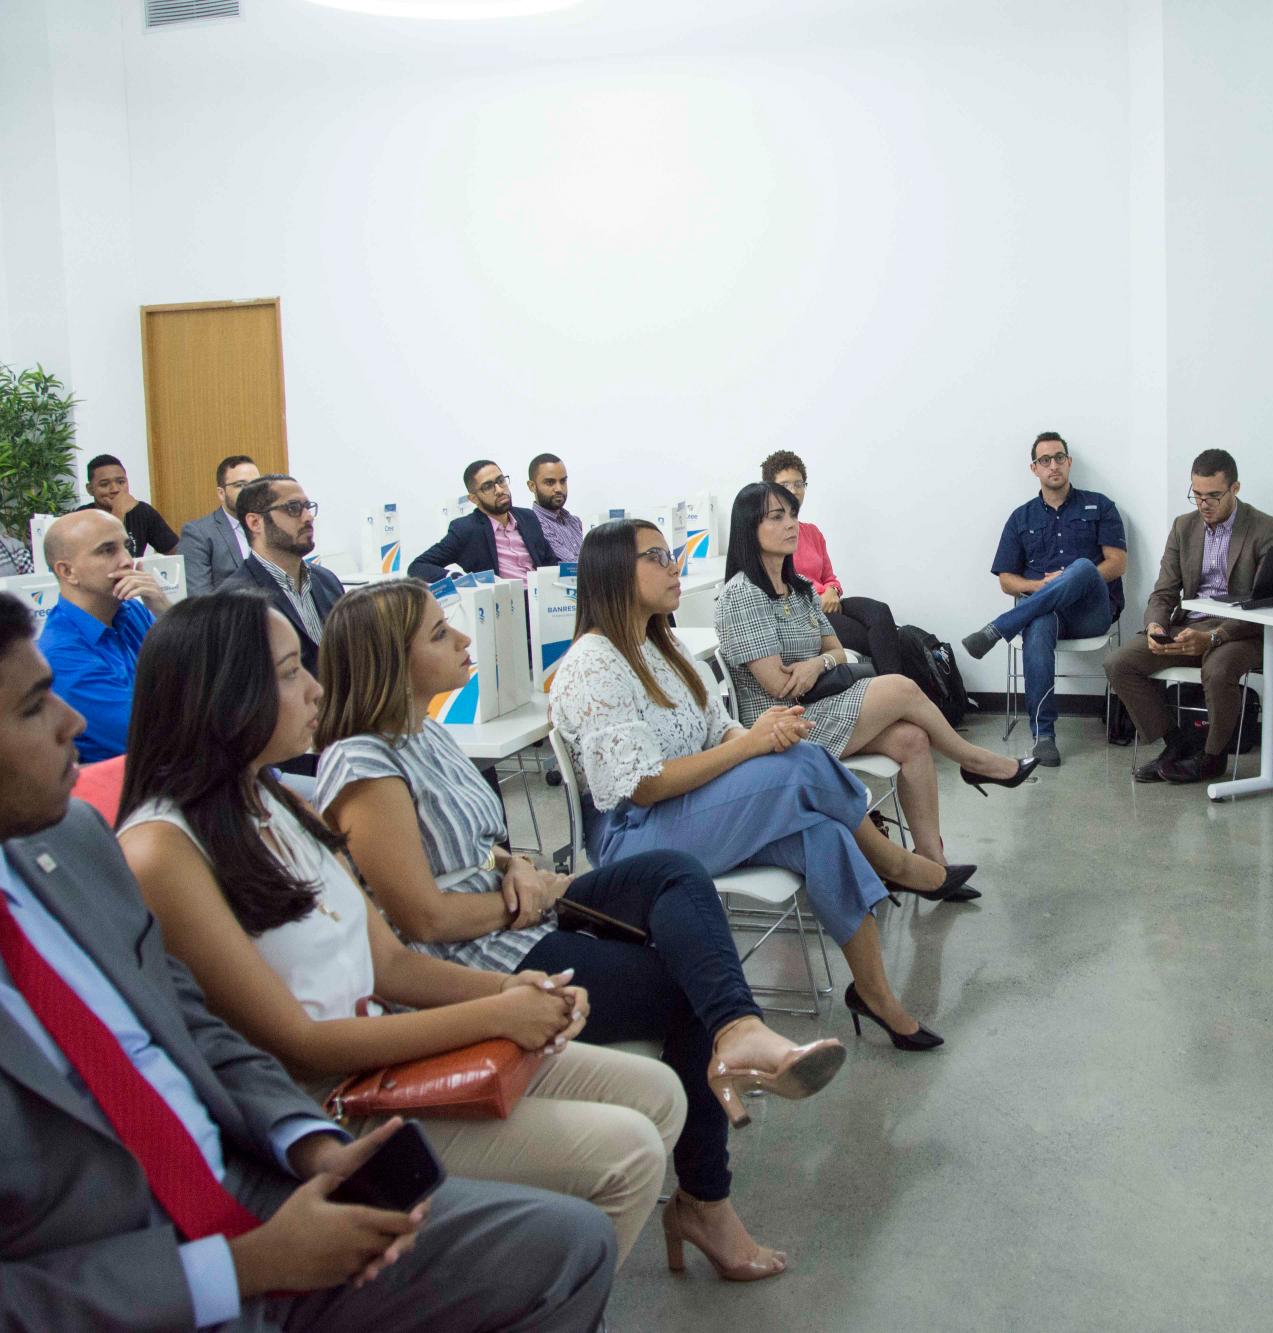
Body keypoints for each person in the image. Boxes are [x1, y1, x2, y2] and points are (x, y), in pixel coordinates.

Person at [0, 582, 617, 1331]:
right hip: (112, 1266)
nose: (76, 723)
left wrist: (312, 1147)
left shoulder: (71, 848)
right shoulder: (154, 846)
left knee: (568, 1244)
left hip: (248, 1175)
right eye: (32, 708)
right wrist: (246, 1266)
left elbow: (194, 1026)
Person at [115, 591, 684, 1266]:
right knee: (627, 1150)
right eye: (292, 671)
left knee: (660, 1093)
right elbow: (302, 1043)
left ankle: (536, 1287)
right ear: (224, 692)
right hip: (325, 1109)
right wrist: (498, 1013)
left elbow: (390, 962)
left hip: (384, 1053)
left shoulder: (271, 798)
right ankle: (544, 1288)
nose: (316, 689)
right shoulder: (163, 849)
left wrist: (508, 988)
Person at [313, 578, 842, 1283]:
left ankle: (739, 1031)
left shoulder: (429, 732)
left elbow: (476, 847)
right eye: (441, 634)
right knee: (687, 988)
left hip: (521, 909)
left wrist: (521, 866)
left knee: (674, 872)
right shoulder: (361, 760)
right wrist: (521, 903)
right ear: (387, 660)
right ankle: (705, 1198)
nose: (464, 640)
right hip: (486, 954)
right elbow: (423, 916)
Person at [551, 517, 970, 1054]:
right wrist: (751, 746)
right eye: (654, 557)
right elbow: (645, 786)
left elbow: (717, 727)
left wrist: (763, 734)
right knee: (798, 767)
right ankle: (895, 862)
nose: (672, 565)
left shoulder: (663, 645)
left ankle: (876, 994)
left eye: (668, 553)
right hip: (633, 840)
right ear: (611, 573)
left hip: (688, 811)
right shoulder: (593, 664)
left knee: (823, 833)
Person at [717, 481, 1035, 875]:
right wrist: (814, 665)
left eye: (793, 515)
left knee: (914, 739)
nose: (791, 525)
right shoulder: (743, 594)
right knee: (901, 686)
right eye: (777, 517)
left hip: (817, 703)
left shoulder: (798, 589)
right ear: (750, 527)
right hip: (781, 726)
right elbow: (778, 686)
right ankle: (975, 761)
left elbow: (836, 650)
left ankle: (933, 867)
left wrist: (817, 664)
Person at [1103, 449, 1273, 784]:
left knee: (1218, 669)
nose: (1204, 504)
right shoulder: (1184, 526)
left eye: (1213, 496)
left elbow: (1266, 605)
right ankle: (1178, 744)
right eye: (1197, 495)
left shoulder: (1266, 529)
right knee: (1120, 663)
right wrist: (1156, 625)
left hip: (1241, 631)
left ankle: (1212, 758)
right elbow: (1164, 590)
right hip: (1188, 625)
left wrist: (1213, 638)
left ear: (1235, 488)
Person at [962, 431, 1128, 767]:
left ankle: (997, 629)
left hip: (1090, 614)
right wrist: (1042, 586)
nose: (1053, 465)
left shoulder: (1100, 505)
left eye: (1059, 458)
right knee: (1036, 622)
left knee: (1081, 568)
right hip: (1046, 615)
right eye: (1045, 460)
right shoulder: (1021, 518)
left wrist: (1071, 579)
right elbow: (1007, 582)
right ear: (1034, 468)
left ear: (1069, 462)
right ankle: (1045, 736)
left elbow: (1117, 563)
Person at [38, 508, 168, 763]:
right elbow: (152, 737)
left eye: (126, 547)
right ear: (67, 572)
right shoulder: (62, 654)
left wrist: (163, 608)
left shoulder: (132, 611)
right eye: (107, 550)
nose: (127, 560)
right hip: (124, 789)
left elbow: (199, 675)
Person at [759, 450, 903, 674]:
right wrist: (821, 594)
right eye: (785, 484)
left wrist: (832, 590)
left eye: (799, 483)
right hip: (805, 611)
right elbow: (784, 579)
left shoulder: (812, 532)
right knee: (873, 637)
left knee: (880, 613)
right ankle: (894, 693)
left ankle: (897, 690)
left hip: (830, 601)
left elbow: (829, 576)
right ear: (769, 488)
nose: (794, 490)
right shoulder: (770, 533)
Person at [218, 474, 347, 676]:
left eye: (307, 507)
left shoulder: (327, 580)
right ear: (255, 523)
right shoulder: (235, 600)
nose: (308, 517)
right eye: (293, 508)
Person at [409, 459, 559, 583]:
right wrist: (458, 579)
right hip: (503, 606)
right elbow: (418, 566)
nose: (499, 490)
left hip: (540, 602)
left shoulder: (528, 517)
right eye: (488, 487)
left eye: (501, 481)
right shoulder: (465, 530)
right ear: (473, 499)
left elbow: (549, 562)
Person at [179, 454, 261, 594]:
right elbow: (199, 598)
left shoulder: (269, 526)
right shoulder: (198, 533)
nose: (250, 491)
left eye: (256, 484)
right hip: (228, 613)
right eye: (240, 485)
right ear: (221, 493)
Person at [75, 453, 179, 558]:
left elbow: (175, 552)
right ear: (90, 489)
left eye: (121, 482)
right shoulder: (80, 517)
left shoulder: (142, 511)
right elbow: (102, 558)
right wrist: (118, 512)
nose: (115, 489)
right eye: (104, 484)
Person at [528, 452, 584, 563]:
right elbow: (573, 565)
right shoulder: (534, 525)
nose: (559, 488)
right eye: (550, 482)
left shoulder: (574, 521)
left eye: (563, 481)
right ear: (532, 486)